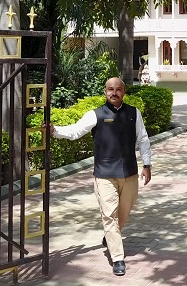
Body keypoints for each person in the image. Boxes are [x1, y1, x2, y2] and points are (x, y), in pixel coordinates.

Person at [48, 77, 152, 276]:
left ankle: (110, 235)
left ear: (124, 91)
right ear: (105, 92)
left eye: (118, 89)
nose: (114, 93)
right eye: (110, 89)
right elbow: (75, 131)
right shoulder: (95, 114)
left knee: (124, 212)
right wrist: (55, 131)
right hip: (104, 174)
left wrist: (147, 165)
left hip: (129, 172)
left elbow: (144, 140)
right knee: (109, 214)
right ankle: (118, 258)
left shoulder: (133, 113)